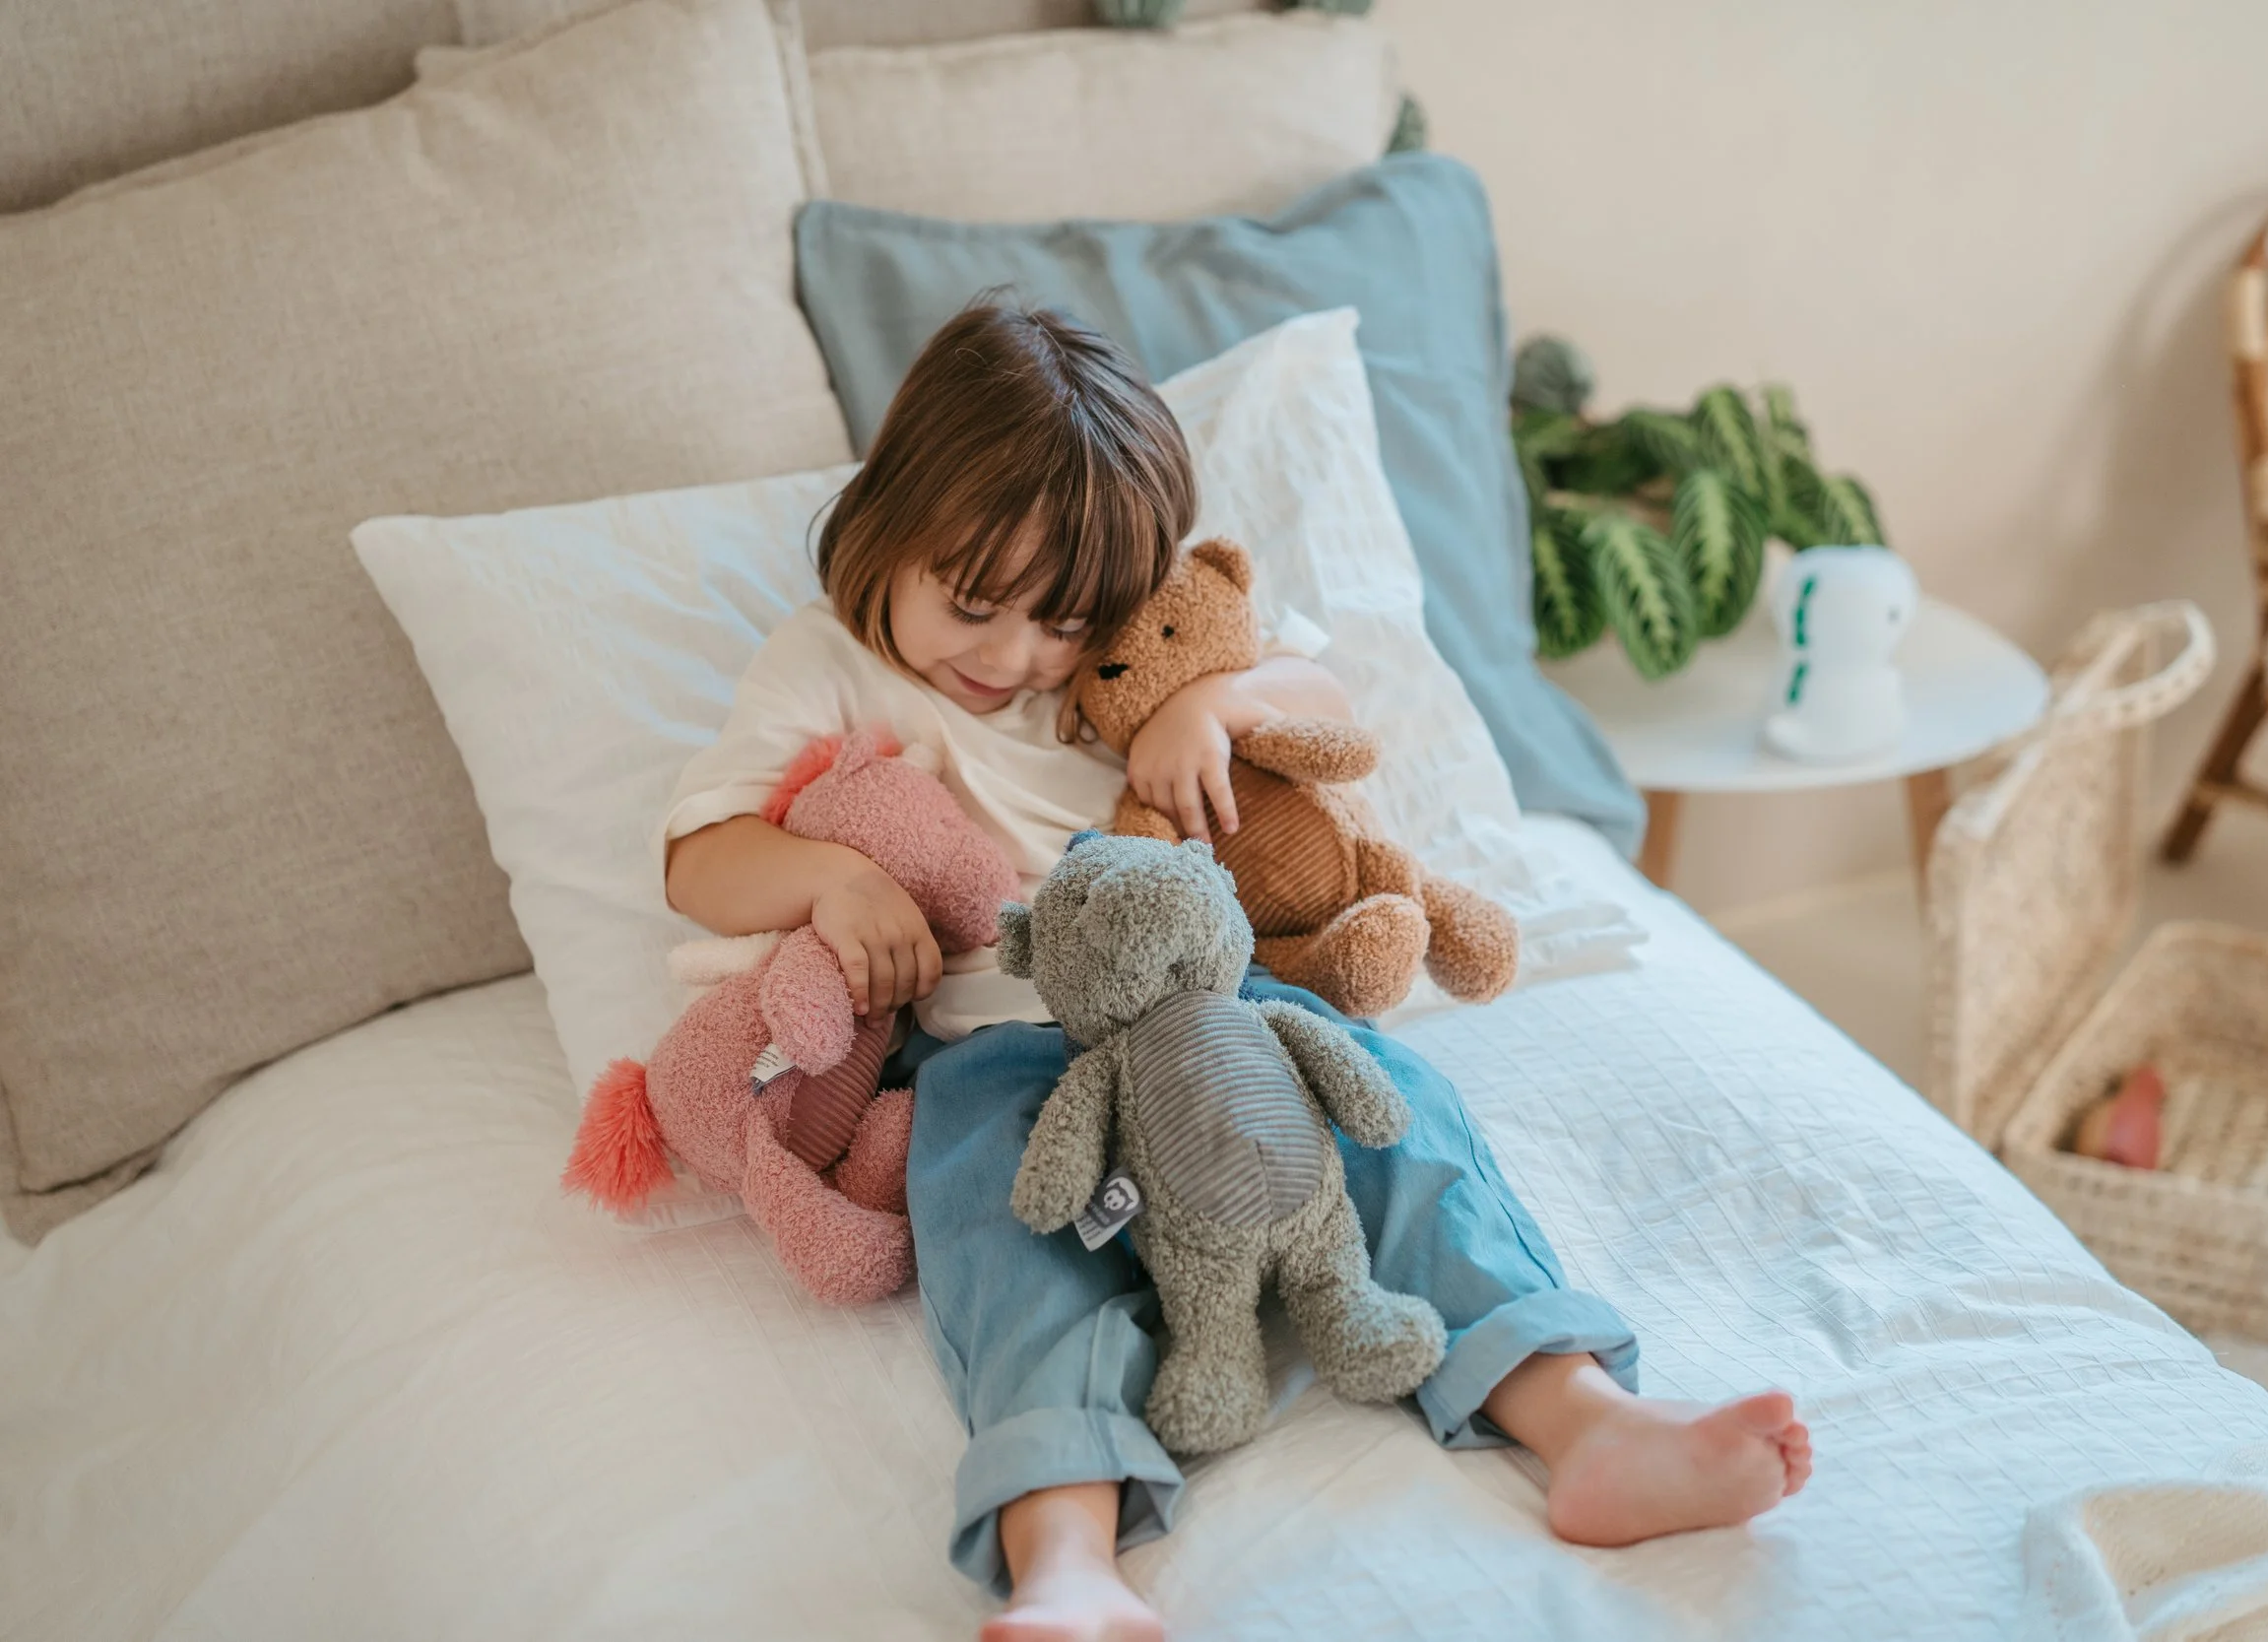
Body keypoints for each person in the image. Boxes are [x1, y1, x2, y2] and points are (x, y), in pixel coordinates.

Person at [663, 298, 1812, 1642]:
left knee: (1397, 1120)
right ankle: (1067, 1558)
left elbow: (1326, 707)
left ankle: (1582, 1418)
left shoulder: (1145, 627)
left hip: (1212, 1005)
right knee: (1008, 1239)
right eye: (973, 605)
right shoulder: (833, 661)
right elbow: (701, 853)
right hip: (996, 1041)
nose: (1014, 656)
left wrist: (1216, 703)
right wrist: (834, 878)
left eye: (1060, 620)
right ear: (887, 529)